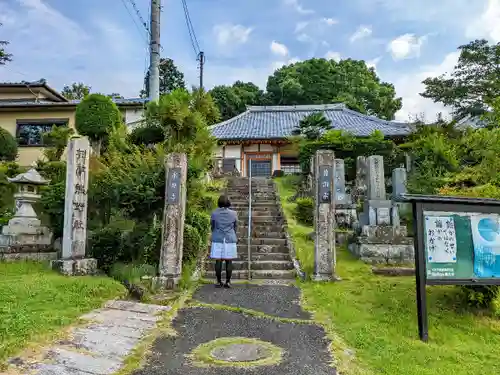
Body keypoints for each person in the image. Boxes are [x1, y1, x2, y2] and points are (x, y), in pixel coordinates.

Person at [210, 194, 238, 288]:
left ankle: (218, 281)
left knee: (218, 261)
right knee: (228, 261)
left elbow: (212, 226)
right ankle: (228, 282)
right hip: (230, 238)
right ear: (228, 203)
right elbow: (235, 227)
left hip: (218, 238)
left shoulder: (214, 213)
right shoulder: (233, 213)